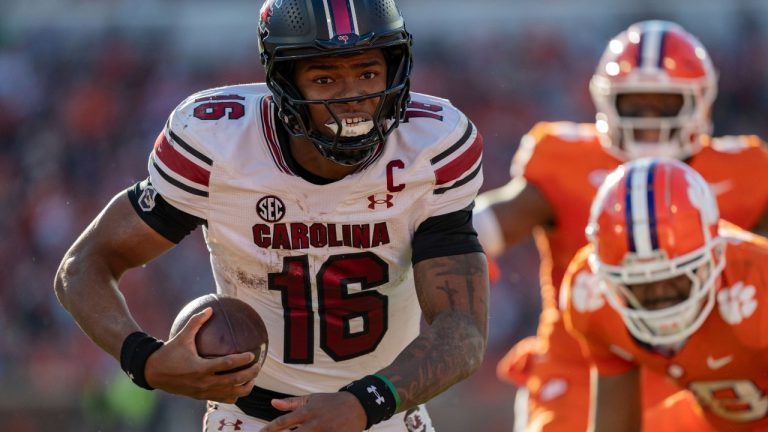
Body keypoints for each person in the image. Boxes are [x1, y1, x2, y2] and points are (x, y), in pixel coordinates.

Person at [53, 1, 489, 431]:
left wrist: (364, 402)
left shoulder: (432, 146)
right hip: (250, 417)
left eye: (369, 73)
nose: (353, 97)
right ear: (285, 83)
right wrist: (142, 359)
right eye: (325, 78)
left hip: (386, 410)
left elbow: (463, 331)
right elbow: (83, 265)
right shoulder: (219, 144)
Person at [473, 20, 768, 432]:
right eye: (634, 104)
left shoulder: (745, 172)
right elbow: (498, 218)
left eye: (664, 105)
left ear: (699, 101)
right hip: (584, 357)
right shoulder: (568, 164)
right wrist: (447, 236)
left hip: (693, 369)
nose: (649, 120)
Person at [561, 157, 768, 431]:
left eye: (675, 275)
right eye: (638, 282)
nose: (659, 292)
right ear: (608, 279)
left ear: (713, 257)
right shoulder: (591, 296)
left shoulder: (759, 278)